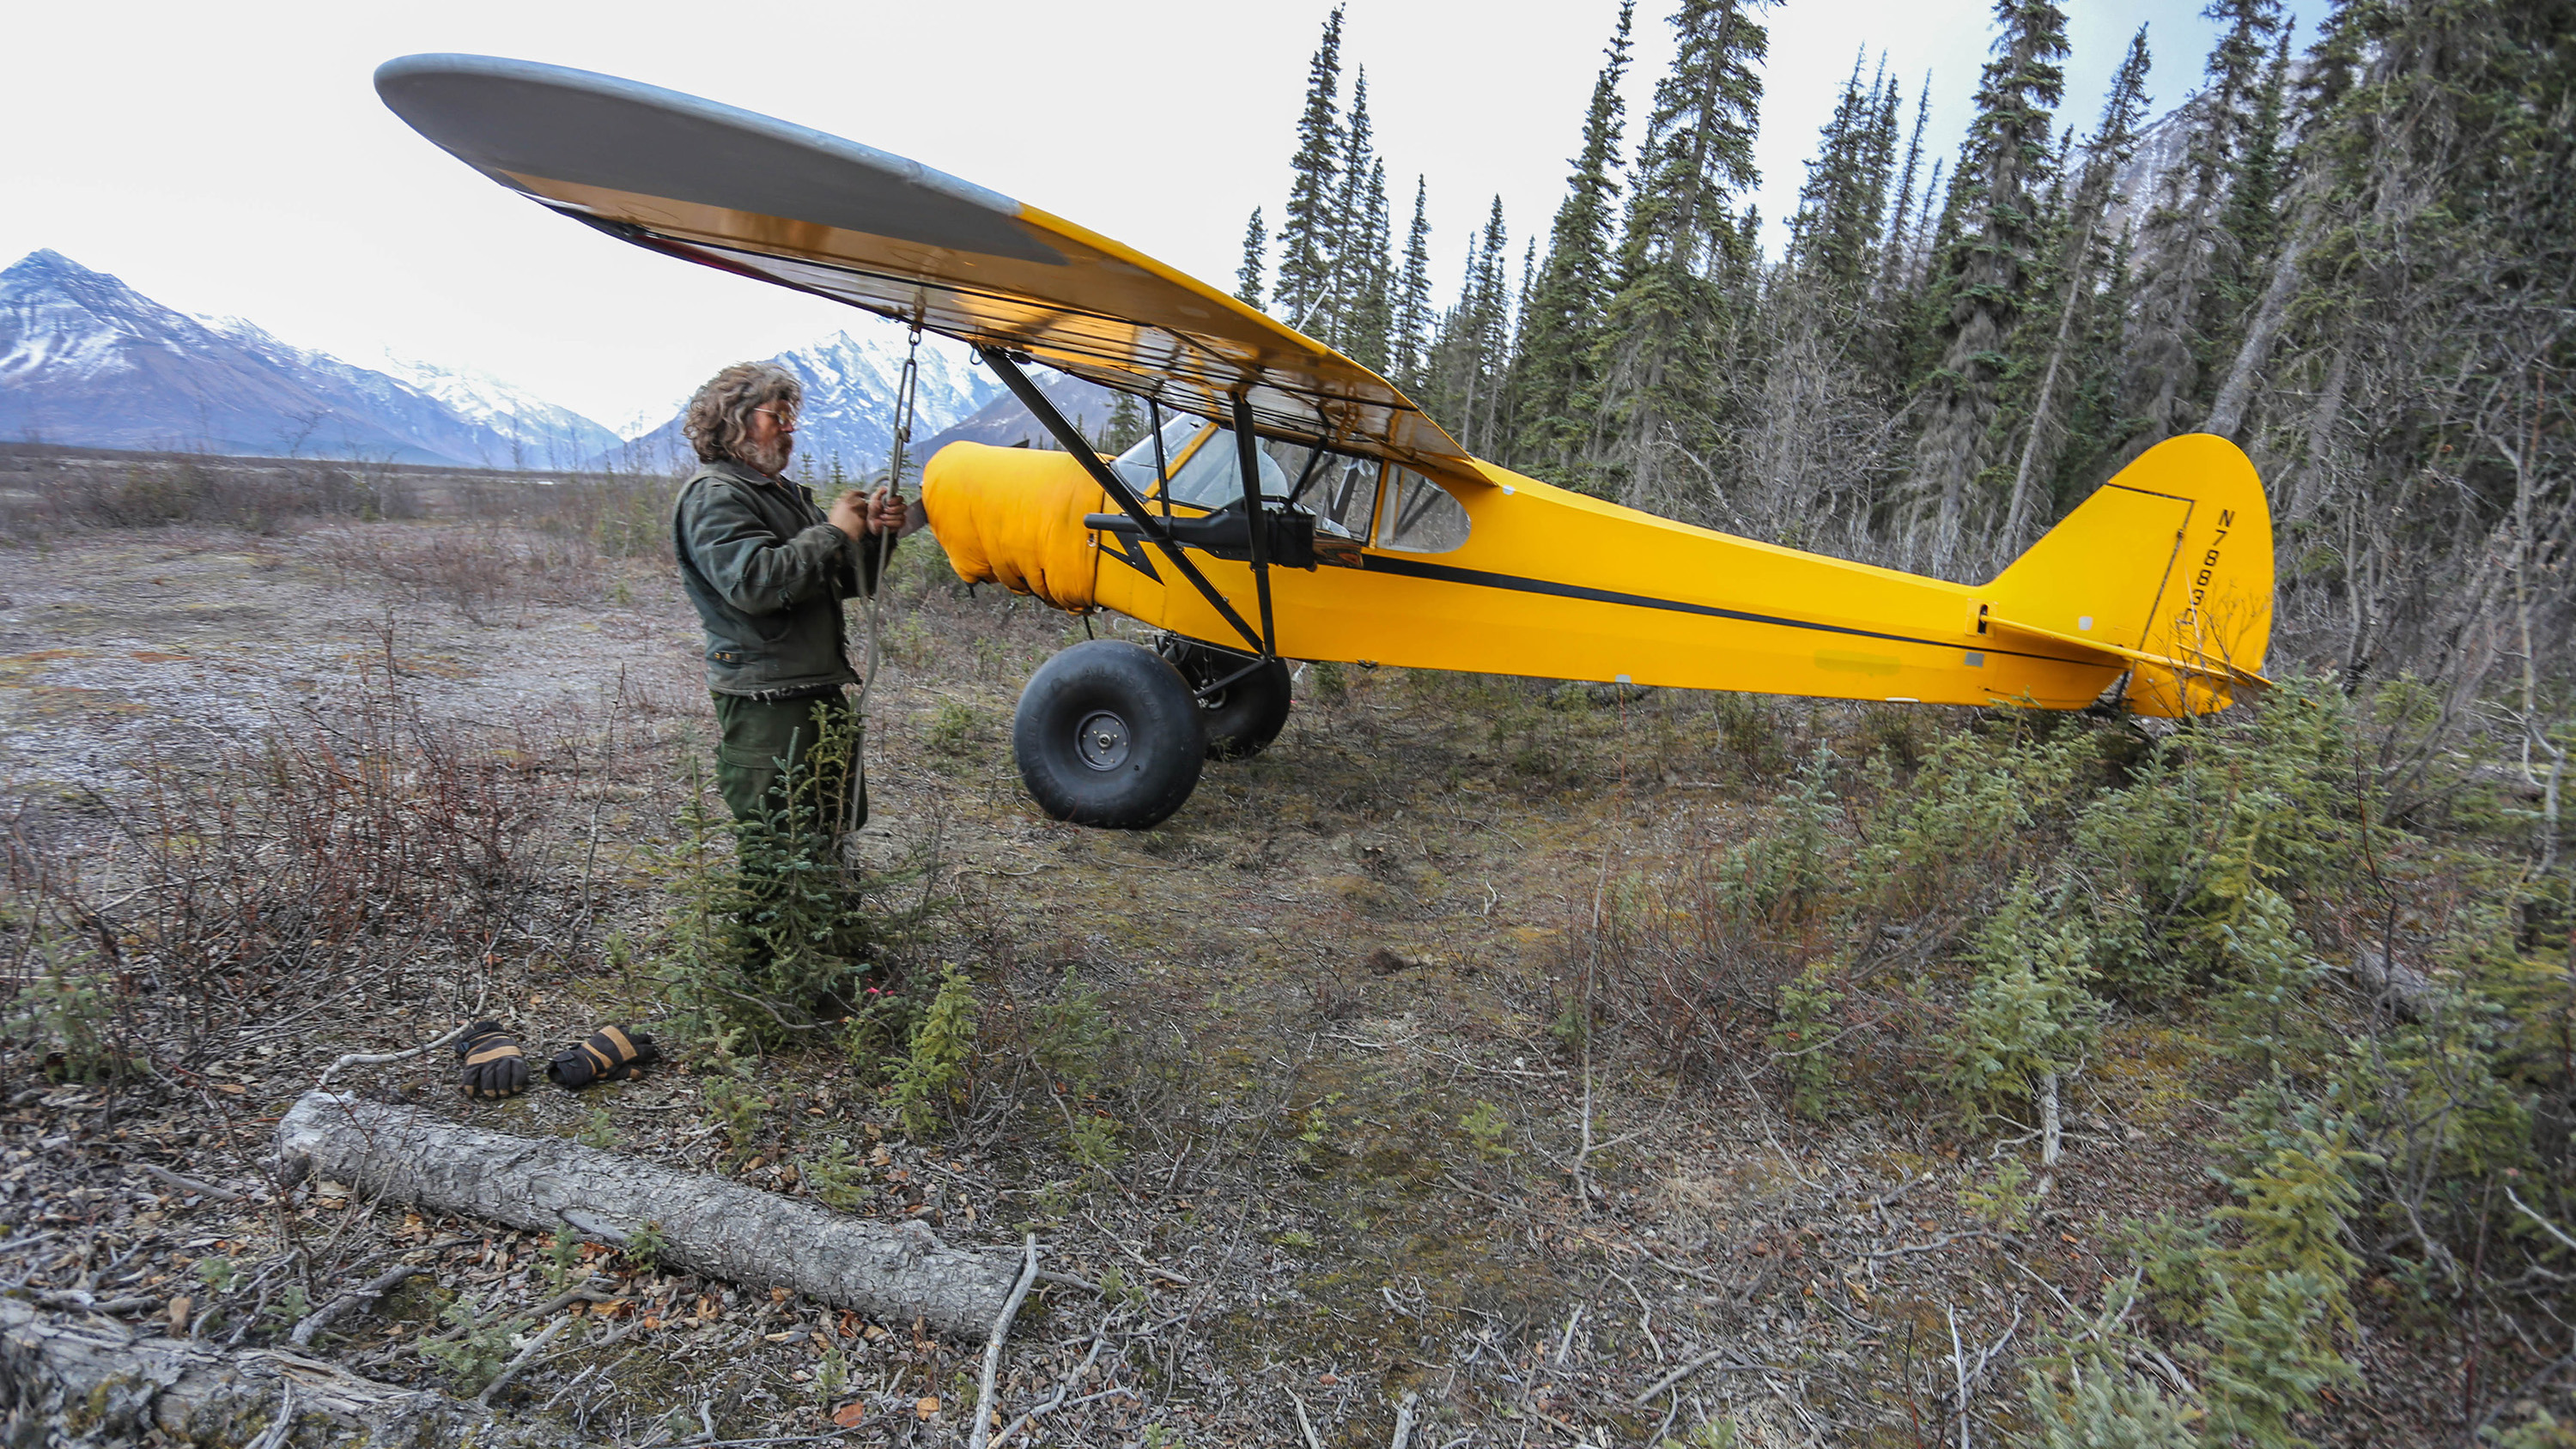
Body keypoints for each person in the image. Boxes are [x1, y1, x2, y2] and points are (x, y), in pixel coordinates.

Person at [671, 361, 907, 834]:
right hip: (767, 704)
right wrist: (833, 530)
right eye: (776, 417)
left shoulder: (783, 495)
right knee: (781, 848)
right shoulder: (714, 496)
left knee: (831, 832)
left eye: (789, 418)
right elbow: (756, 584)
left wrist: (872, 536)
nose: (789, 429)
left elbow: (844, 581)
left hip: (815, 691)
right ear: (735, 419)